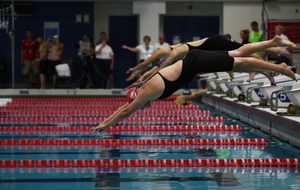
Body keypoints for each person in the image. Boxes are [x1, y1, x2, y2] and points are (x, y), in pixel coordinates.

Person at [91, 36, 297, 133]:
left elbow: (127, 111)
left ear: (138, 98)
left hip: (196, 60)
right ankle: (274, 49)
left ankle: (279, 64)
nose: (139, 107)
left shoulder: (147, 92)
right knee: (238, 56)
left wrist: (107, 125)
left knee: (239, 62)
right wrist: (104, 122)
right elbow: (124, 108)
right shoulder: (145, 90)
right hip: (195, 60)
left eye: (136, 103)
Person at [127, 35, 292, 85]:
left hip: (213, 43)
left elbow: (155, 68)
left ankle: (273, 47)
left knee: (241, 51)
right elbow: (155, 69)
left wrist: (138, 72)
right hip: (207, 51)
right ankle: (265, 70)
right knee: (236, 61)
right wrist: (142, 75)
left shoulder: (168, 52)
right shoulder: (172, 55)